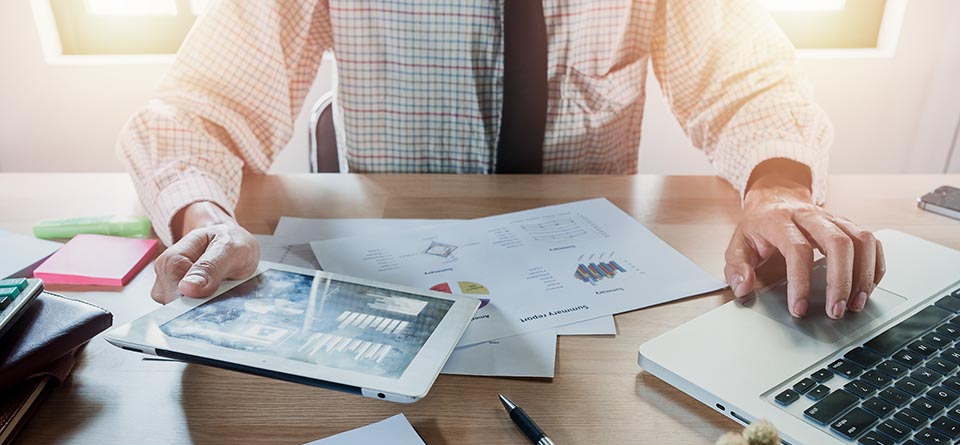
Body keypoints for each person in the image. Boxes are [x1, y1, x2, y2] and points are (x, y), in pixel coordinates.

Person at [119, 0, 884, 320]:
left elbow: (746, 80)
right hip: (399, 282)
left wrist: (779, 187)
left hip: (598, 293)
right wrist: (203, 213)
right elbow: (197, 108)